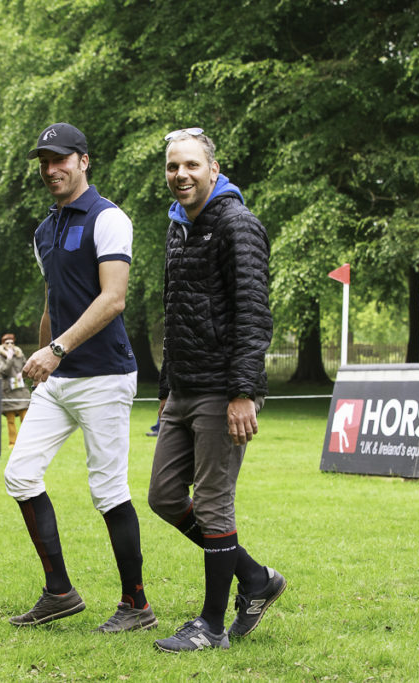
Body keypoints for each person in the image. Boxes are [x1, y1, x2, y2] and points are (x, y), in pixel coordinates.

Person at [4, 122, 155, 633]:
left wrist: (57, 349)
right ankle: (59, 592)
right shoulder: (43, 230)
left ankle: (136, 605)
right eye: (44, 162)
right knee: (20, 474)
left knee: (108, 490)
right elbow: (54, 297)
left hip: (105, 376)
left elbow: (113, 299)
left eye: (60, 159)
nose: (51, 170)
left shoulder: (108, 218)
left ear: (84, 160)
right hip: (59, 378)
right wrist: (41, 355)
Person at [147, 128, 285, 652]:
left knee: (212, 502)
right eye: (171, 167)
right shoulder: (178, 228)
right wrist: (166, 385)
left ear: (213, 167)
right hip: (183, 388)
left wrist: (243, 392)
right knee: (163, 496)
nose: (179, 175)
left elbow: (254, 315)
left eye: (189, 165)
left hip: (223, 389)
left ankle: (210, 625)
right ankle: (255, 578)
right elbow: (173, 313)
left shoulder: (238, 224)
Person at [0, 333, 30, 446]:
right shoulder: (0, 356)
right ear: (3, 344)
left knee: (25, 417)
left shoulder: (20, 354)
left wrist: (22, 374)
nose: (10, 345)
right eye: (7, 343)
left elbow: (27, 367)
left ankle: (26, 442)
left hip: (21, 391)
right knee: (10, 420)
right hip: (9, 392)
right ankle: (12, 443)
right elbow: (4, 370)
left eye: (12, 343)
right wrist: (9, 358)